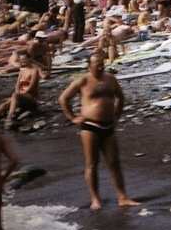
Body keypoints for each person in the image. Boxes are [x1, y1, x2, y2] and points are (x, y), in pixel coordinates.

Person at [58, 53, 139, 210]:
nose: (101, 66)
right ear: (89, 65)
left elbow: (120, 98)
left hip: (109, 125)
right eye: (97, 64)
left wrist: (117, 116)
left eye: (102, 63)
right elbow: (63, 99)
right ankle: (95, 198)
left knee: (114, 162)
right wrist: (73, 117)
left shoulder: (110, 79)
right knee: (92, 164)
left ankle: (122, 197)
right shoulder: (83, 80)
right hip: (90, 126)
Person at [0, 51, 42, 129]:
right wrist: (17, 94)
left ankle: (9, 118)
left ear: (29, 59)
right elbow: (17, 85)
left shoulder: (34, 71)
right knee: (4, 105)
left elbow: (31, 87)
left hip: (31, 97)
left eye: (24, 59)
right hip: (20, 96)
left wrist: (18, 95)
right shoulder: (22, 70)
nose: (23, 61)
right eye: (21, 60)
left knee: (14, 96)